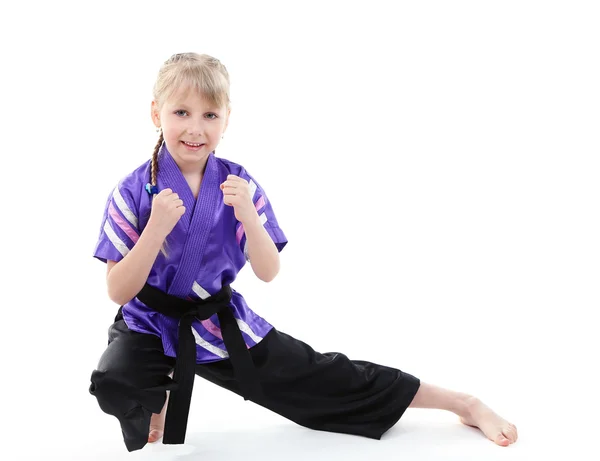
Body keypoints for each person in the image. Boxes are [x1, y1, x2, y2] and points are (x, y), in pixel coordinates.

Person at [89, 52, 518, 453]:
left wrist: (250, 219)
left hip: (219, 324)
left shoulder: (238, 185)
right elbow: (117, 290)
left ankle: (460, 402)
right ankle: (157, 395)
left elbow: (268, 271)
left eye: (209, 115)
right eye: (181, 112)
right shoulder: (133, 191)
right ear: (155, 113)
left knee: (324, 377)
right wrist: (155, 230)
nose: (195, 128)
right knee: (113, 381)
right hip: (148, 322)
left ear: (226, 120)